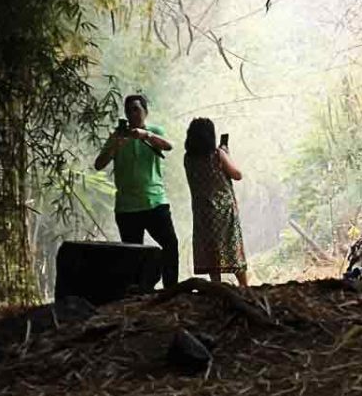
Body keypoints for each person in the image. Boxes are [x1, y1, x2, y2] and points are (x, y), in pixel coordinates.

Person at [93, 94, 178, 289]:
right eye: (129, 110)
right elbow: (99, 164)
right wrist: (116, 144)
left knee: (170, 245)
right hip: (127, 206)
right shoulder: (117, 136)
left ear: (145, 112)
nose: (132, 114)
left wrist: (145, 135)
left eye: (136, 109)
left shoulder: (153, 131)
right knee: (133, 254)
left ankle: (171, 289)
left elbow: (169, 146)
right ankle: (139, 293)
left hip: (155, 201)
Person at [183, 117, 248, 287]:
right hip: (224, 209)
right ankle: (244, 285)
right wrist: (227, 154)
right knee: (231, 244)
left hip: (202, 211)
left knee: (210, 246)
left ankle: (216, 284)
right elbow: (237, 174)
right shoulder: (217, 155)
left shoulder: (188, 159)